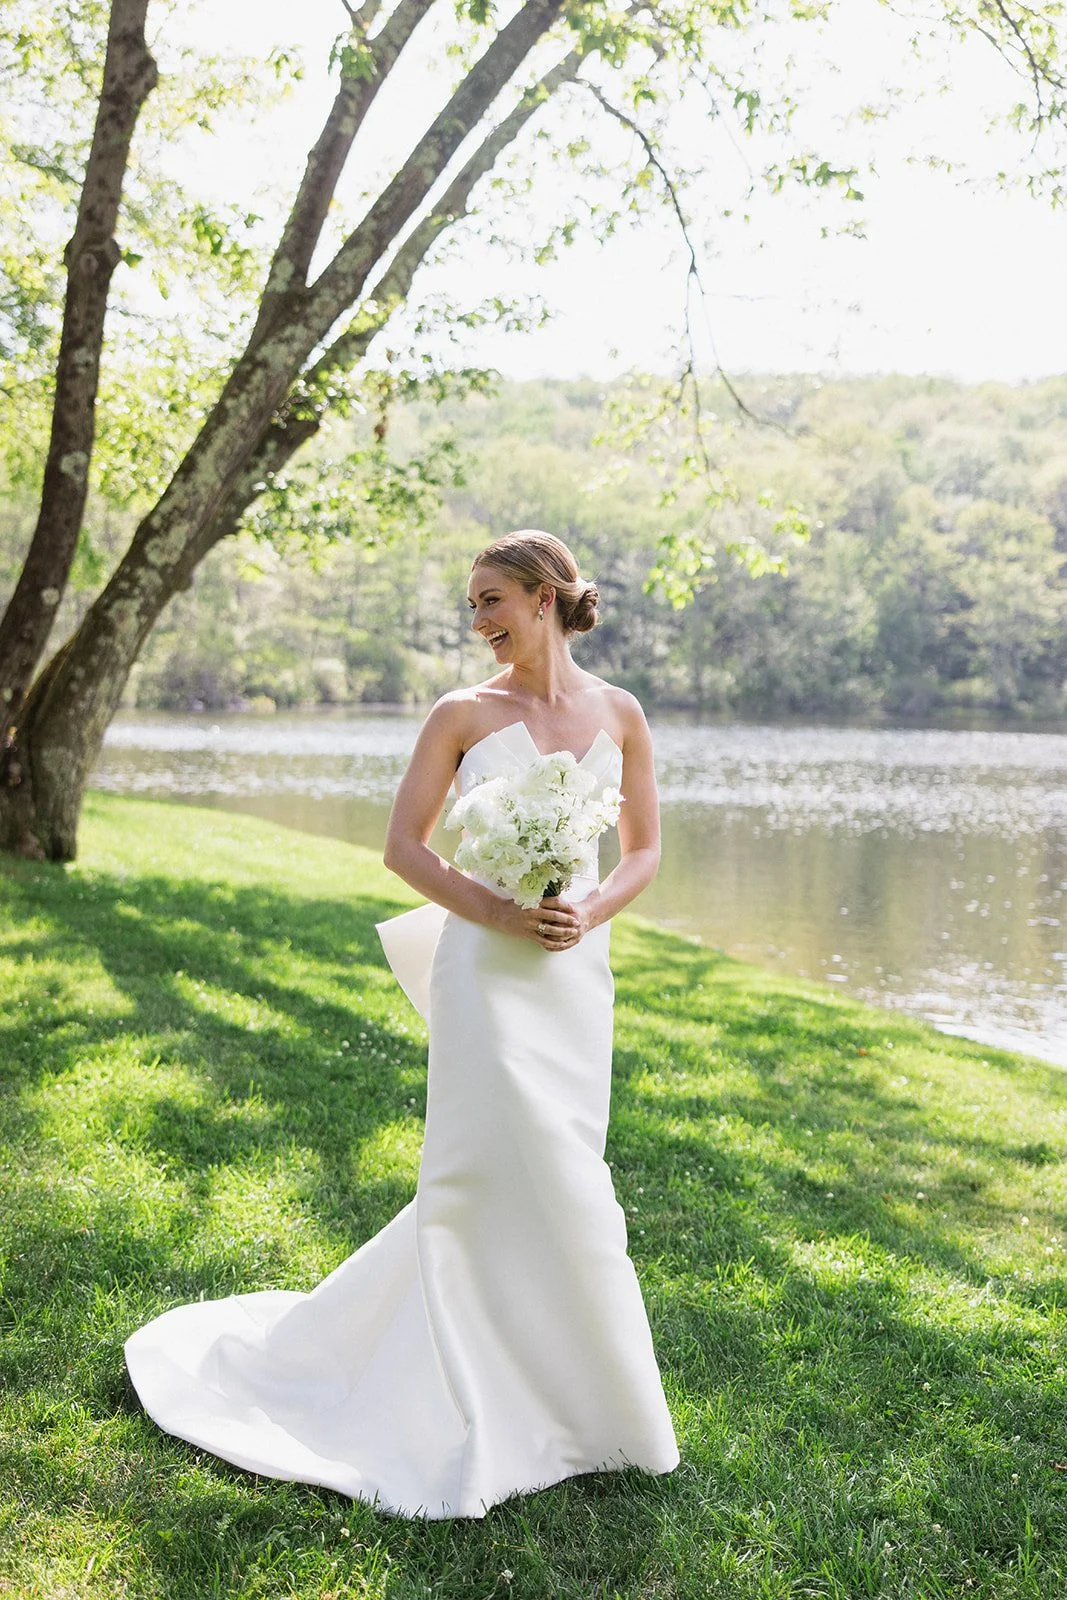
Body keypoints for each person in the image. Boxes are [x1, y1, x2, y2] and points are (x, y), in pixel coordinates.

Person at [124, 530, 678, 1518]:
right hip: (484, 968)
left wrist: (584, 911)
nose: (478, 621)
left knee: (568, 1178)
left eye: (491, 599)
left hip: (570, 973)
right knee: (475, 1176)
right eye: (471, 604)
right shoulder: (461, 714)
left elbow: (640, 850)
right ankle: (469, 1400)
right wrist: (500, 911)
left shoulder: (619, 714)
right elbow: (402, 849)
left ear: (545, 596)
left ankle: (594, 1409)